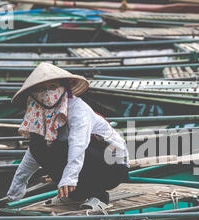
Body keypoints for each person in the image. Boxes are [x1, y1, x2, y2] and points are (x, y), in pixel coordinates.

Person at [7, 62, 129, 211]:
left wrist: (69, 178)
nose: (47, 93)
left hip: (112, 163)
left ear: (64, 86)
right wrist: (16, 188)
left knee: (74, 147)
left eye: (52, 87)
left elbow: (78, 143)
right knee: (38, 144)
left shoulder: (78, 108)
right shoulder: (39, 114)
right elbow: (34, 153)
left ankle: (100, 196)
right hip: (83, 161)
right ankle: (74, 196)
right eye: (41, 89)